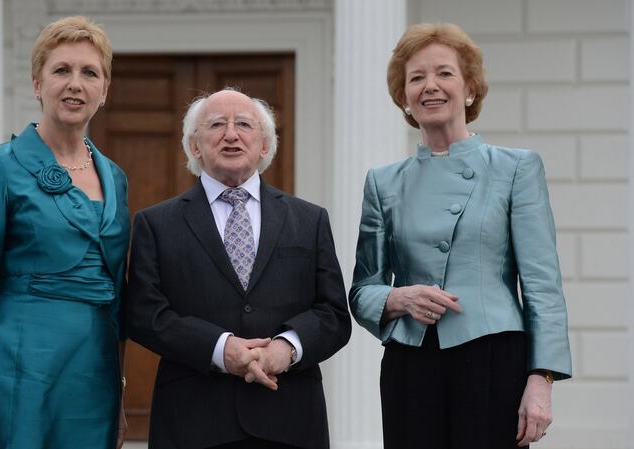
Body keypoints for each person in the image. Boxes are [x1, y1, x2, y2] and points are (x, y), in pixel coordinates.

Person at [349, 23, 572, 449]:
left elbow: (543, 286)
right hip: (410, 364)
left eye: (444, 74)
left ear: (470, 88)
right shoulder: (383, 183)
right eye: (416, 78)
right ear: (404, 98)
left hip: (492, 360)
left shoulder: (516, 169)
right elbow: (362, 290)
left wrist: (541, 379)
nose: (430, 86)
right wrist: (397, 298)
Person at [126, 88, 351, 449]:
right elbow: (143, 314)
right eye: (216, 124)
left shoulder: (309, 220)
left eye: (244, 124)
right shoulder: (156, 223)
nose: (231, 134)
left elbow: (334, 314)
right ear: (195, 146)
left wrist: (286, 348)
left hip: (290, 417)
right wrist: (220, 348)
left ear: (264, 145)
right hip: (193, 421)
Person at [0, 16, 129, 449]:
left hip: (93, 376)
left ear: (103, 91)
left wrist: (119, 398)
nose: (75, 84)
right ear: (37, 83)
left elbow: (118, 297)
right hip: (19, 370)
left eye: (90, 73)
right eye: (61, 70)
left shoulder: (116, 177)